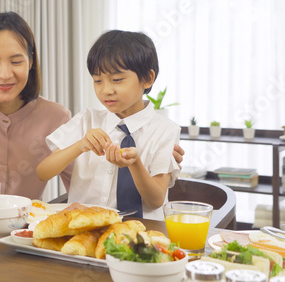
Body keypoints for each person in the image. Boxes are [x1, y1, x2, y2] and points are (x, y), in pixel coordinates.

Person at [0, 12, 184, 200]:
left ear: (31, 61)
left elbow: (87, 180)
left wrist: (150, 155)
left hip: (21, 238)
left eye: (15, 61)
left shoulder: (56, 116)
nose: (4, 74)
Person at [37, 30, 180, 220]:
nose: (106, 90)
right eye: (98, 81)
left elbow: (155, 200)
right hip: (84, 229)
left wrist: (135, 164)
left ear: (147, 78)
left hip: (141, 234)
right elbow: (43, 172)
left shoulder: (165, 130)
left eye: (117, 80)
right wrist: (80, 145)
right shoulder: (87, 120)